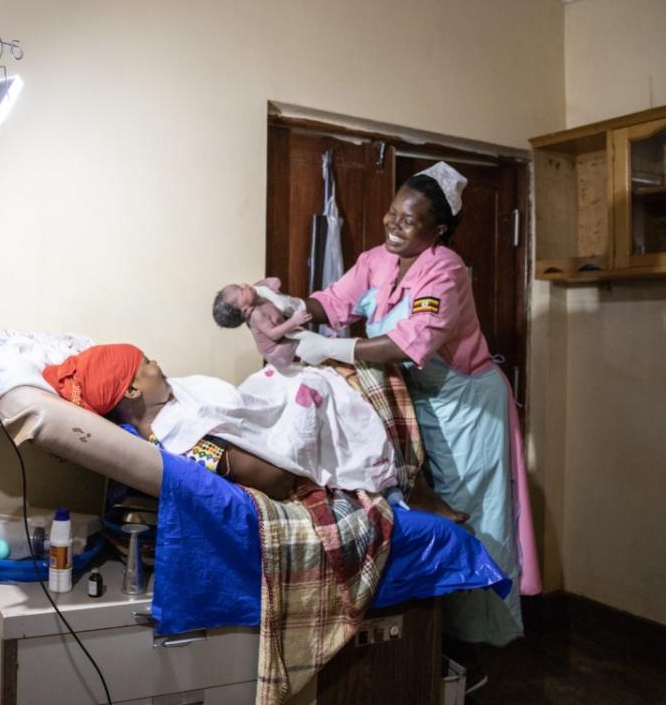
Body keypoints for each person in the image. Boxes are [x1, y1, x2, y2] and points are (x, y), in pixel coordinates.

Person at [259, 162, 541, 651]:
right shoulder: (376, 260)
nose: (393, 224)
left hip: (467, 406)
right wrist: (286, 306)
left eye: (408, 221)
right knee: (423, 506)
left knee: (473, 515)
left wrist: (336, 350)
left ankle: (478, 637)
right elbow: (335, 302)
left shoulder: (445, 271)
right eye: (392, 214)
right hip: (418, 403)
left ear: (438, 231)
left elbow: (414, 341)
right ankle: (435, 635)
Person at [42, 343, 302, 499]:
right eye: (147, 362)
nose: (156, 363)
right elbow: (279, 480)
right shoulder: (183, 436)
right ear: (132, 390)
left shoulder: (171, 401)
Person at [211, 278, 311, 368]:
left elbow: (262, 286)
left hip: (281, 340)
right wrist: (293, 321)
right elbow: (273, 334)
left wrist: (269, 283)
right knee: (301, 337)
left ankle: (308, 357)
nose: (244, 284)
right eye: (241, 290)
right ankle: (311, 358)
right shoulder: (256, 315)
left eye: (239, 285)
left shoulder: (253, 299)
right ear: (246, 310)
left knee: (299, 333)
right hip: (277, 353)